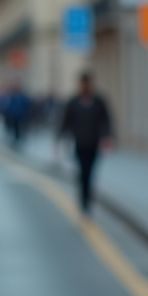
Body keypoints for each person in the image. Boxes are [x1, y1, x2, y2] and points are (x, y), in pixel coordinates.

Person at [58, 72, 113, 214]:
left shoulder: (99, 101)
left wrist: (107, 137)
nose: (85, 86)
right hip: (79, 143)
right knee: (82, 171)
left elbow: (106, 120)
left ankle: (87, 197)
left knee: (90, 172)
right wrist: (61, 137)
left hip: (94, 143)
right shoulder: (73, 102)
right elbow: (66, 121)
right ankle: (83, 199)